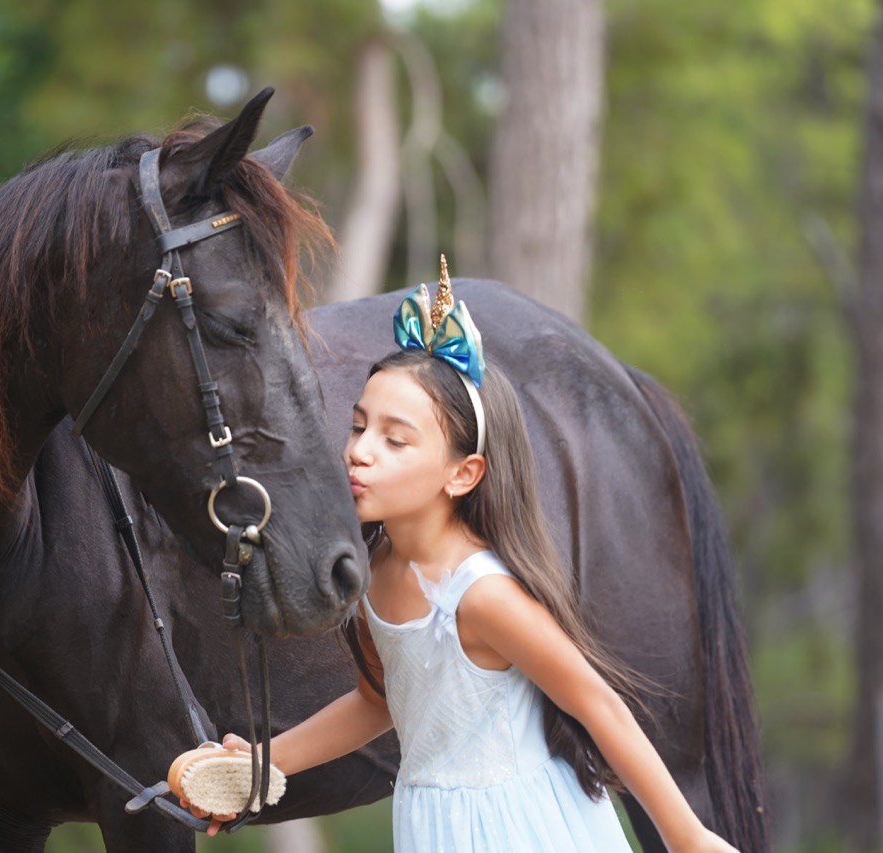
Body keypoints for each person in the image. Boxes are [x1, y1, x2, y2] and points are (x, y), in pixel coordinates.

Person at [181, 258, 740, 851]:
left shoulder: (481, 597)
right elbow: (378, 702)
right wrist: (265, 763)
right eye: (359, 427)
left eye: (395, 440)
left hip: (519, 830)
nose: (360, 452)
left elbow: (597, 704)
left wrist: (686, 837)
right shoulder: (378, 571)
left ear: (463, 473)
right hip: (433, 829)